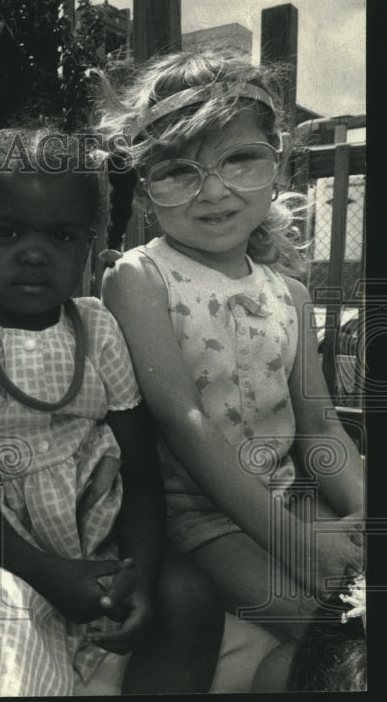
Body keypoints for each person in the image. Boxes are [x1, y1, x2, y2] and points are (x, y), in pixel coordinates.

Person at [0, 127, 224, 696]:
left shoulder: (97, 328)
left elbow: (137, 469)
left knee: (192, 599)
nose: (33, 253)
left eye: (61, 236)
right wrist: (47, 573)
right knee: (3, 626)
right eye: (6, 232)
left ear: (89, 243)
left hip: (97, 530)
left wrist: (141, 572)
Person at [96, 49, 365, 690]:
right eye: (178, 171)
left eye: (238, 159)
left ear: (277, 163)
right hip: (201, 523)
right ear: (144, 181)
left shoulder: (290, 294)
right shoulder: (140, 277)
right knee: (333, 629)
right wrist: (299, 547)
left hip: (291, 497)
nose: (213, 191)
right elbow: (185, 426)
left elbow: (321, 429)